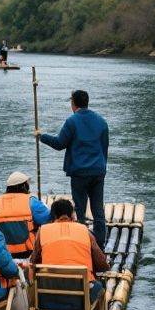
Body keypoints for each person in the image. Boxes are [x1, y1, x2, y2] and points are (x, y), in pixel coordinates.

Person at [36, 89, 108, 249]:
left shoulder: (72, 121)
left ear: (73, 103)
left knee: (80, 209)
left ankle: (82, 240)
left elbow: (59, 143)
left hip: (79, 172)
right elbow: (105, 148)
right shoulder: (102, 122)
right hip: (98, 171)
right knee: (98, 208)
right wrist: (102, 168)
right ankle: (100, 243)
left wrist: (41, 136)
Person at [29, 197, 109, 310]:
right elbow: (102, 264)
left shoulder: (42, 231)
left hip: (48, 297)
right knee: (100, 285)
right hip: (80, 299)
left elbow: (34, 261)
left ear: (53, 216)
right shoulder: (84, 231)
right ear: (72, 215)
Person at [0, 170, 51, 259]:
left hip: (3, 251)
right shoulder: (31, 201)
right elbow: (48, 219)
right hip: (28, 251)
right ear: (24, 186)